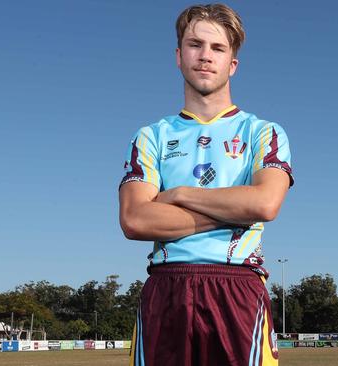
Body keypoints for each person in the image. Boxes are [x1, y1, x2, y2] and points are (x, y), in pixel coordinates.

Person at [119, 4, 293, 365]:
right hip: (166, 286)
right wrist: (233, 211)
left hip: (237, 286)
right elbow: (135, 219)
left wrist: (180, 195)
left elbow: (264, 204)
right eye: (195, 44)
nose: (205, 56)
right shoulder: (151, 136)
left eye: (218, 48)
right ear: (178, 56)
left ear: (233, 64)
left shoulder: (263, 132)